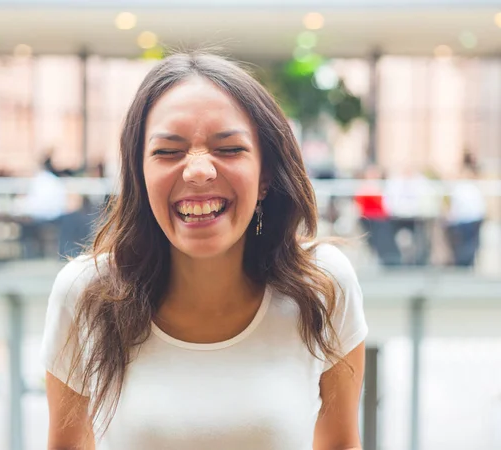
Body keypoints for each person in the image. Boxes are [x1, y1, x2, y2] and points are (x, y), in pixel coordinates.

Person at [41, 53, 368, 450]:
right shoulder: (85, 293)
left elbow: (340, 443)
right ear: (140, 175)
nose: (198, 171)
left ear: (265, 176)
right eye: (167, 151)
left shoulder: (323, 285)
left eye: (229, 149)